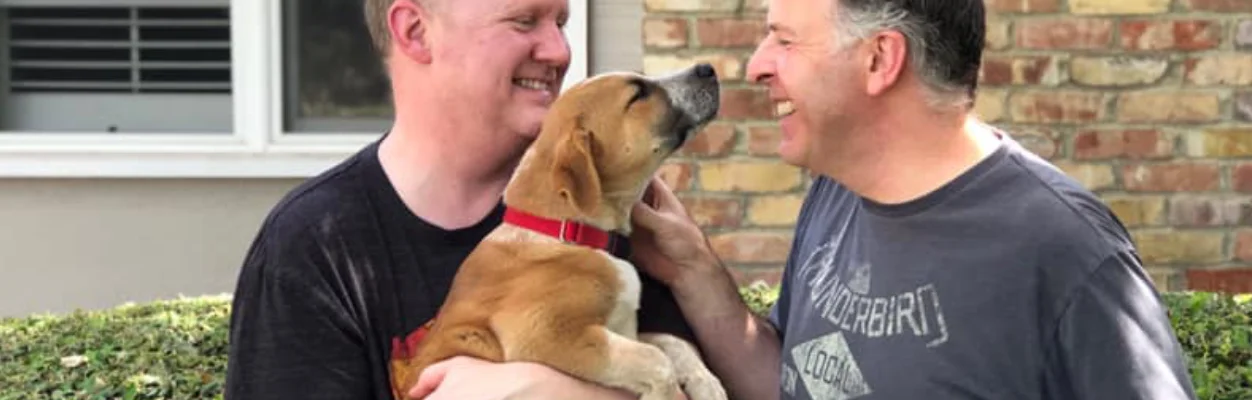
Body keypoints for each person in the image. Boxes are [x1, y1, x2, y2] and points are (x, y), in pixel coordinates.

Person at [625, 0, 1201, 398]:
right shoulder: (836, 193)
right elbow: (799, 385)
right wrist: (692, 269)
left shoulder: (1063, 247)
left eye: (784, 39)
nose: (756, 66)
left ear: (880, 59)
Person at [222, 0, 677, 398]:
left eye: (561, 21)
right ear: (416, 32)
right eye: (523, 20)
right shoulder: (313, 245)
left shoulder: (601, 198)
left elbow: (686, 388)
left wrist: (550, 390)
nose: (559, 50)